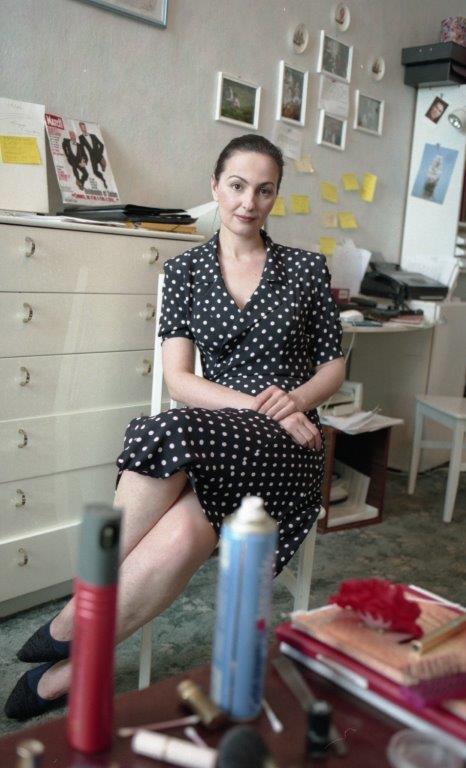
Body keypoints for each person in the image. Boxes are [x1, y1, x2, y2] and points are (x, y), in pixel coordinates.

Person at [5, 134, 345, 720]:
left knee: (162, 430)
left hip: (287, 448)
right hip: (217, 432)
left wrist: (291, 404)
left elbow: (333, 367)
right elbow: (180, 379)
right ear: (215, 187)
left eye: (264, 190)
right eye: (237, 186)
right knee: (184, 532)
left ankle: (75, 615)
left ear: (275, 197)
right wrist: (259, 406)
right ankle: (73, 670)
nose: (249, 202)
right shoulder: (185, 270)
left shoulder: (307, 269)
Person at [78, 121, 108, 189]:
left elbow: (101, 145)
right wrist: (83, 159)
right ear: (80, 128)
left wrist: (100, 153)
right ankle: (103, 180)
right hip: (92, 156)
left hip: (98, 154)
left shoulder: (93, 136)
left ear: (85, 127)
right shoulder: (81, 137)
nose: (83, 128)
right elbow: (82, 149)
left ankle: (103, 165)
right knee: (95, 171)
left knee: (104, 165)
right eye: (82, 127)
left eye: (84, 127)